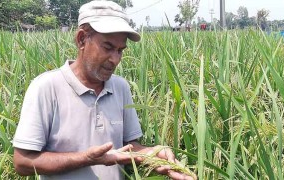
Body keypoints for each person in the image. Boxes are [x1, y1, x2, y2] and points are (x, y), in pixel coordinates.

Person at [13, 1, 195, 180]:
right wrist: (86, 159)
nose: (115, 59)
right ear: (81, 39)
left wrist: (152, 154)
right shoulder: (46, 87)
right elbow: (22, 162)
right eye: (108, 47)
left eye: (120, 50)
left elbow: (128, 148)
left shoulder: (121, 87)